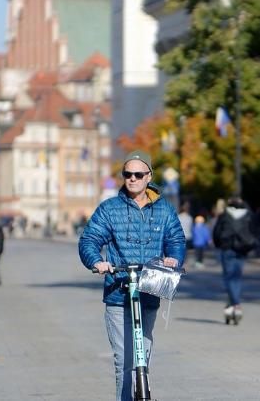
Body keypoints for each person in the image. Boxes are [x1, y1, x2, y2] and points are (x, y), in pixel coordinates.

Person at [78, 150, 185, 401]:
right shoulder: (110, 209)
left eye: (138, 174)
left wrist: (174, 258)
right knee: (124, 362)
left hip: (148, 292)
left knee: (142, 357)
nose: (133, 179)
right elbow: (90, 239)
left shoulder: (164, 209)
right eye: (128, 174)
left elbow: (176, 239)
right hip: (118, 293)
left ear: (149, 176)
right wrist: (96, 261)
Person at [212, 197, 257, 324]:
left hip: (227, 248)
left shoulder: (225, 215)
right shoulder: (248, 215)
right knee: (236, 277)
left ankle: (235, 304)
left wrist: (217, 244)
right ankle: (233, 304)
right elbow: (254, 231)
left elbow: (216, 232)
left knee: (229, 277)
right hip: (242, 249)